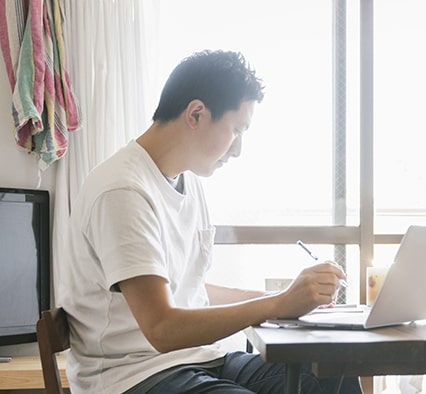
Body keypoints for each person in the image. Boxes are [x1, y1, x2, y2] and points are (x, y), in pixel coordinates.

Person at [58, 50, 362, 394]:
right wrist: (278, 305)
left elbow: (188, 290)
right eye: (236, 130)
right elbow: (162, 327)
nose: (238, 150)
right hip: (134, 377)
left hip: (198, 360)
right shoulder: (122, 190)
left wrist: (283, 298)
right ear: (196, 114)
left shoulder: (188, 184)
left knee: (331, 370)